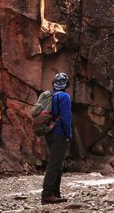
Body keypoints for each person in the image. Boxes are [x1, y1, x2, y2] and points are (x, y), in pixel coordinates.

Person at [41, 72, 72, 205]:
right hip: (59, 133)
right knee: (54, 164)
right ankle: (47, 194)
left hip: (49, 133)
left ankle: (55, 193)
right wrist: (68, 135)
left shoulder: (51, 95)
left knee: (57, 163)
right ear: (66, 84)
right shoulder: (64, 96)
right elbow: (66, 118)